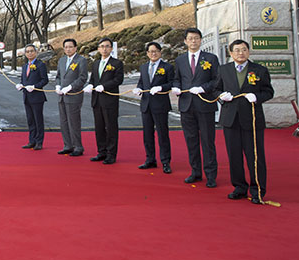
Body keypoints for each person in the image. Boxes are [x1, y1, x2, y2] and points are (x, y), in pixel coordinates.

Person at [216, 39, 274, 204]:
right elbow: (215, 88)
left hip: (252, 119)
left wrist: (257, 97)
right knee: (234, 156)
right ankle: (239, 187)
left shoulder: (259, 70)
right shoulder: (223, 70)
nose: (240, 53)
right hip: (231, 119)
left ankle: (258, 190)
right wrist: (221, 96)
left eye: (243, 50)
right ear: (231, 53)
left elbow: (268, 92)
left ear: (248, 52)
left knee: (255, 156)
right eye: (237, 50)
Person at [172, 28, 220, 188]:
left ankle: (211, 175)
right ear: (185, 41)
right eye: (190, 38)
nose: (193, 41)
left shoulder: (211, 58)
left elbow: (216, 80)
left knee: (208, 141)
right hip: (186, 105)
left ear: (201, 40)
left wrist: (203, 88)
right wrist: (176, 88)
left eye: (197, 38)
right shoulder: (180, 60)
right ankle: (195, 172)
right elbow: (177, 79)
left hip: (205, 104)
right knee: (191, 141)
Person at [133, 42, 174, 174]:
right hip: (146, 104)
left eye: (156, 51)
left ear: (160, 52)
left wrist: (161, 88)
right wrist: (138, 88)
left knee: (162, 134)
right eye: (150, 51)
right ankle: (150, 159)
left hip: (160, 104)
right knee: (147, 134)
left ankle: (165, 161)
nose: (153, 53)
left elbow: (171, 82)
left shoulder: (167, 67)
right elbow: (141, 81)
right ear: (147, 53)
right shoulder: (144, 67)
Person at [84, 37, 124, 164]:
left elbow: (118, 80)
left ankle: (111, 154)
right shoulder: (96, 63)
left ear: (111, 48)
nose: (104, 49)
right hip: (97, 100)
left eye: (107, 46)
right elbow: (93, 79)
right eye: (102, 46)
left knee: (111, 127)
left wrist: (104, 86)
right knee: (99, 127)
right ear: (98, 49)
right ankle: (101, 151)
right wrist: (90, 85)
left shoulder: (117, 63)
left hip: (110, 99)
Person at [54, 38, 88, 156]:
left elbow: (83, 78)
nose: (68, 49)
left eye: (70, 47)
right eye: (66, 47)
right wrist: (58, 85)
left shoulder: (81, 60)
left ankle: (78, 147)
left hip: (74, 95)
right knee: (63, 121)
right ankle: (67, 145)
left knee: (74, 122)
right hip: (62, 96)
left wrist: (70, 87)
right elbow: (58, 76)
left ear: (75, 48)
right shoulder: (62, 60)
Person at [16, 44, 49, 151]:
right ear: (25, 54)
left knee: (38, 120)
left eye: (32, 51)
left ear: (36, 52)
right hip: (26, 96)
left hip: (37, 97)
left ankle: (39, 142)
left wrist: (35, 87)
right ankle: (32, 140)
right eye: (28, 51)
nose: (30, 53)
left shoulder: (40, 65)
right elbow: (23, 80)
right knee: (30, 120)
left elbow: (45, 80)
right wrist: (20, 85)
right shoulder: (25, 66)